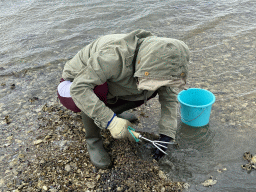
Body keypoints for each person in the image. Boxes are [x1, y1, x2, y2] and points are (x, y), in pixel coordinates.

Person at [57, 29, 189, 169]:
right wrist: (110, 121)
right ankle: (93, 140)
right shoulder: (113, 56)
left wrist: (167, 134)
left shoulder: (162, 58)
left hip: (107, 84)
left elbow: (169, 95)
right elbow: (79, 88)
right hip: (72, 85)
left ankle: (112, 112)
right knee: (97, 89)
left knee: (150, 90)